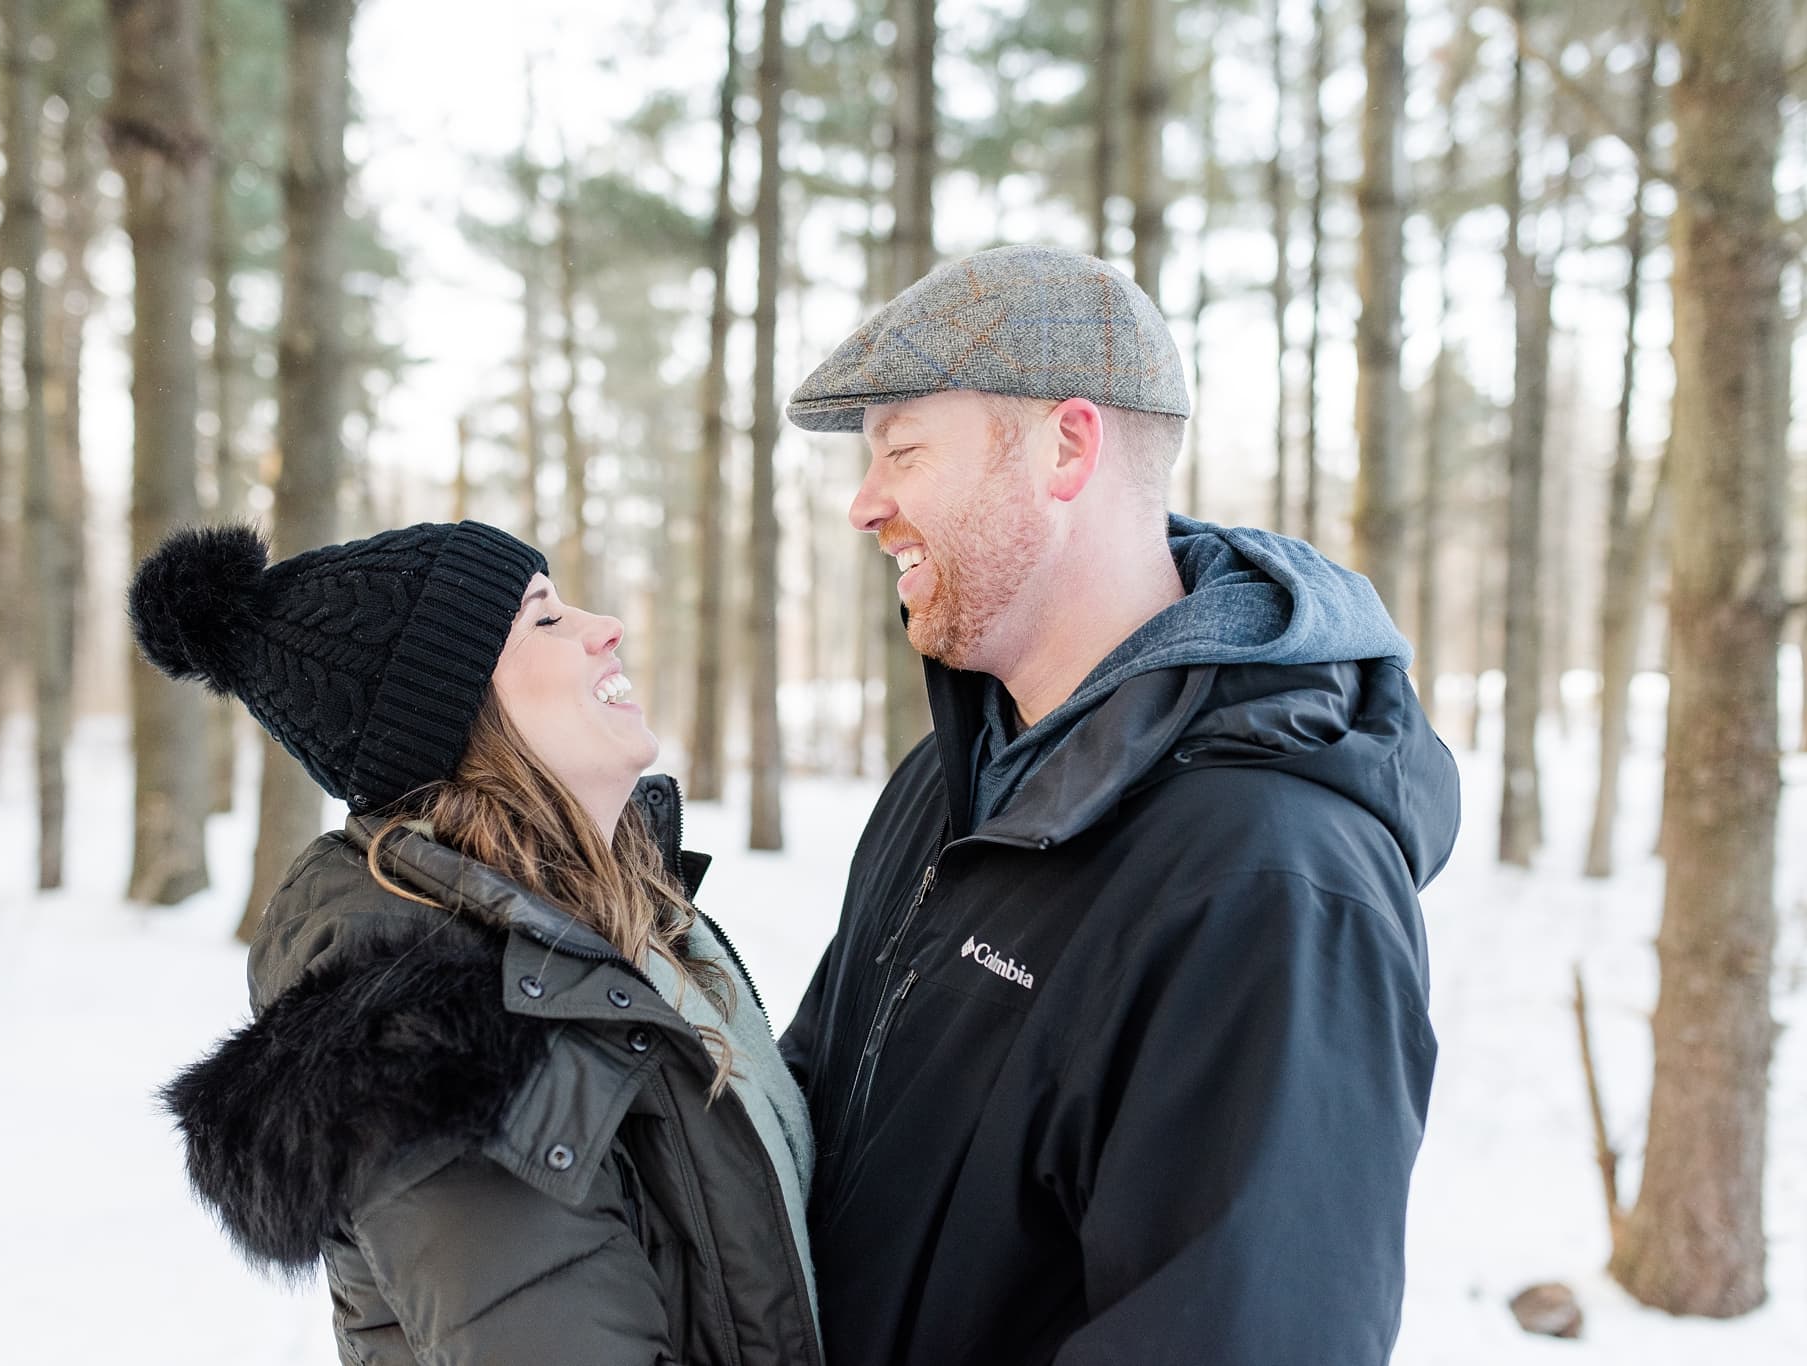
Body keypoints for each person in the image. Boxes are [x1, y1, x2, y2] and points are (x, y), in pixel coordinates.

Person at [778, 244, 1460, 1366]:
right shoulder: (946, 785)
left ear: (1066, 446)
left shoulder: (1272, 878)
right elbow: (815, 1109)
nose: (865, 504)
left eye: (901, 449)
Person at [129, 520, 822, 1366]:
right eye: (542, 618)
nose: (605, 626)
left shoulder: (608, 931)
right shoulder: (439, 1042)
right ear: (453, 715)